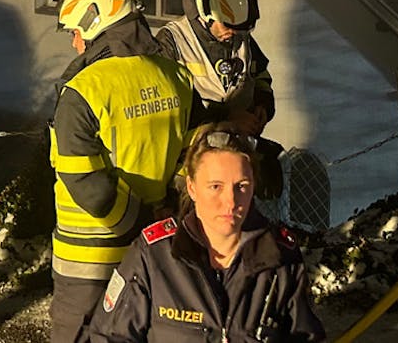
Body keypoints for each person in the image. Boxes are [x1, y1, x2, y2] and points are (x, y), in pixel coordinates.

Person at [51, 0, 194, 343]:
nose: (73, 42)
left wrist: (141, 220)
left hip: (89, 262)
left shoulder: (81, 92)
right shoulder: (176, 76)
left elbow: (87, 184)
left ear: (93, 22)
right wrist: (162, 216)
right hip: (160, 246)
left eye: (73, 31)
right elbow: (189, 155)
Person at [86, 124, 325, 343]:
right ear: (192, 187)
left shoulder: (280, 258)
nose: (230, 202)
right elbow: (109, 337)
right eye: (215, 187)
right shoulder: (154, 257)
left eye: (241, 186)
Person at [153, 0, 283, 200]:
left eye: (240, 29)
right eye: (228, 27)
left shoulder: (239, 34)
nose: (234, 35)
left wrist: (262, 105)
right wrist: (227, 121)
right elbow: (166, 115)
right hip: (188, 166)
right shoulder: (172, 42)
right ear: (206, 14)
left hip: (234, 154)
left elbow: (260, 75)